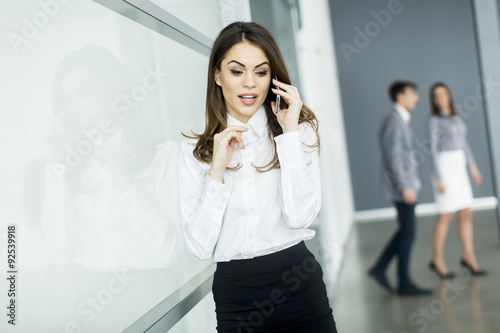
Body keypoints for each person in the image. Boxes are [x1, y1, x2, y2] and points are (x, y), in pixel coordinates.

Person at [179, 22, 337, 332]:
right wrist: (216, 172)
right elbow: (198, 247)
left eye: (261, 72)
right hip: (235, 296)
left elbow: (300, 216)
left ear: (273, 78)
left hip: (298, 285)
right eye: (237, 71)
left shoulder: (299, 131)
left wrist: (288, 135)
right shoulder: (194, 149)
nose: (249, 83)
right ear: (217, 74)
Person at [41, 45, 181, 271]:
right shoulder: (73, 163)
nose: (76, 108)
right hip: (86, 289)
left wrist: (126, 183)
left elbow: (170, 251)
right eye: (68, 100)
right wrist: (55, 166)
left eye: (85, 93)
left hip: (154, 291)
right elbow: (61, 247)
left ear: (117, 91)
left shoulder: (164, 155)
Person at [368, 81, 432, 296]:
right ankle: (402, 281)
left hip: (406, 186)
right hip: (402, 188)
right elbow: (394, 156)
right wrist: (405, 186)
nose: (417, 98)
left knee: (406, 231)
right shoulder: (394, 120)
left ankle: (381, 269)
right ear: (400, 96)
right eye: (413, 93)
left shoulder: (399, 119)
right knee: (408, 231)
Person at [427, 82, 487, 278]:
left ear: (448, 96)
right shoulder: (433, 120)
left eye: (443, 94)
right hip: (445, 168)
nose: (440, 98)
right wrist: (439, 177)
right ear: (433, 100)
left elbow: (464, 143)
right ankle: (437, 260)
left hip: (459, 167)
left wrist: (473, 167)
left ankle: (469, 256)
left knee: (466, 213)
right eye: (436, 96)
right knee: (445, 215)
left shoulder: (457, 117)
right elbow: (432, 150)